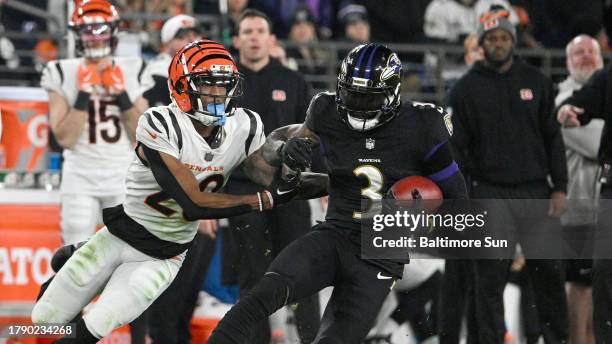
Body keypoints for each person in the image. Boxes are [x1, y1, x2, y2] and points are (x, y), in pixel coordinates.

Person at [31, 39, 328, 343]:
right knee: (43, 320)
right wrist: (265, 200)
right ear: (181, 85)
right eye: (206, 83)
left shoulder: (244, 125)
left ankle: (77, 262)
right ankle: (75, 255)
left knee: (93, 327)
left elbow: (269, 176)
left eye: (223, 84)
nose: (217, 93)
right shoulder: (160, 122)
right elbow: (193, 204)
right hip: (122, 233)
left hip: (165, 255)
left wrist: (317, 172)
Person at [207, 42, 468, 344]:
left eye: (366, 97)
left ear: (393, 93)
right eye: (351, 94)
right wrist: (286, 152)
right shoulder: (325, 109)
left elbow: (457, 203)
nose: (356, 104)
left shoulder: (422, 125)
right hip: (334, 234)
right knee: (259, 297)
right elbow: (266, 155)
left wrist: (417, 221)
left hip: (379, 256)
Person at [448, 8, 568, 343]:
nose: (498, 44)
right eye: (491, 39)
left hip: (536, 193)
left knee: (550, 277)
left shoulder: (537, 82)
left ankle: (557, 339)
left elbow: (553, 138)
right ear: (482, 43)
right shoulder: (464, 90)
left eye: (503, 38)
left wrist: (560, 187)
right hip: (488, 194)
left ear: (512, 41)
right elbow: (456, 150)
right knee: (488, 281)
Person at [225, 9, 320, 343]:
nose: (253, 36)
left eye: (259, 30)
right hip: (243, 194)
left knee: (303, 276)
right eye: (246, 31)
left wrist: (321, 179)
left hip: (290, 192)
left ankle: (312, 340)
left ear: (271, 39)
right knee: (252, 281)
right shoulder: (222, 84)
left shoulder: (292, 81)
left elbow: (313, 134)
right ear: (236, 40)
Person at [41, 0, 152, 246]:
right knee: (74, 246)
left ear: (113, 32)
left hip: (121, 169)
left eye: (101, 30)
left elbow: (141, 133)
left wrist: (121, 95)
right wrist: (83, 94)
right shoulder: (61, 71)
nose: (94, 38)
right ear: (77, 35)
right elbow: (65, 139)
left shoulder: (133, 68)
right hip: (79, 171)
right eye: (87, 31)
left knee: (128, 247)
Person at [556, 38, 612, 344]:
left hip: (599, 205)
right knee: (584, 285)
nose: (587, 57)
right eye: (579, 52)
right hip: (580, 211)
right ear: (567, 62)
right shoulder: (563, 99)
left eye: (592, 51)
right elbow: (593, 144)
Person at [143, 14, 202, 108]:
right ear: (167, 42)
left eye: (195, 35)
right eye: (183, 36)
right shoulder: (159, 68)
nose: (191, 40)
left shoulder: (202, 65)